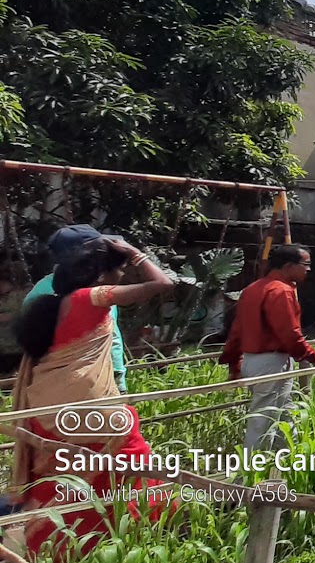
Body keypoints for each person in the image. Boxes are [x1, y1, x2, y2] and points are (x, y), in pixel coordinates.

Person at [11, 236, 175, 556]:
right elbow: (163, 284)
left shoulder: (51, 305)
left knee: (63, 477)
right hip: (90, 414)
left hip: (48, 410)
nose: (122, 275)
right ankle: (133, 537)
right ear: (101, 275)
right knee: (132, 470)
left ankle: (49, 544)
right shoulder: (90, 298)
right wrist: (136, 253)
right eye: (118, 269)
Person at [221, 244, 315, 453]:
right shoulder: (281, 291)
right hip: (272, 362)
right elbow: (289, 333)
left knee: (284, 413)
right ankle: (251, 467)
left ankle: (289, 460)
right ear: (288, 266)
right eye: (305, 264)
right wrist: (313, 356)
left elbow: (237, 330)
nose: (308, 269)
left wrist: (234, 363)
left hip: (252, 360)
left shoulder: (252, 289)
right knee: (263, 419)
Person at [21, 225, 128, 392]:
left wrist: (117, 372)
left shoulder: (101, 286)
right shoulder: (42, 295)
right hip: (71, 386)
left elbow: (111, 336)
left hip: (107, 376)